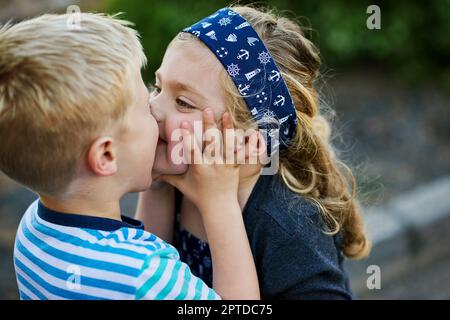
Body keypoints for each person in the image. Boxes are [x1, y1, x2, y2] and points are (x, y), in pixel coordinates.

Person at [0, 13, 259, 300]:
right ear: (107, 155)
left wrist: (158, 182)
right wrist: (220, 203)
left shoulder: (32, 229)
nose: (155, 109)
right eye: (143, 107)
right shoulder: (143, 274)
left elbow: (143, 250)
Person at [137, 6, 370, 299]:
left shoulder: (288, 226)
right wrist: (156, 183)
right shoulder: (183, 173)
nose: (153, 108)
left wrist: (218, 205)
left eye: (183, 102)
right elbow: (148, 282)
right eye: (158, 88)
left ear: (251, 138)